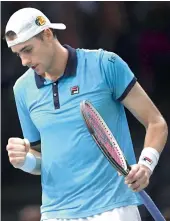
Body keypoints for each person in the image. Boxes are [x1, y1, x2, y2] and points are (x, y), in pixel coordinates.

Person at [5, 7, 168, 221]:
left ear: (47, 34)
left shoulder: (105, 64)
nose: (24, 61)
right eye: (18, 54)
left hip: (113, 209)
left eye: (27, 50)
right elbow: (45, 161)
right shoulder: (22, 89)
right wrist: (23, 160)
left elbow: (156, 122)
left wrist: (146, 165)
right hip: (55, 213)